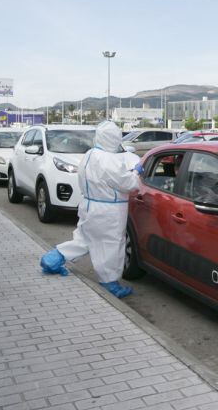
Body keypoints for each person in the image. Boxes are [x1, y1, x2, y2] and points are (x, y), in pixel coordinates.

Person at [38, 121, 143, 298]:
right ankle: (110, 283)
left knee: (85, 238)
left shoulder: (89, 154)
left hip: (89, 204)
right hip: (109, 209)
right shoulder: (109, 160)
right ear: (114, 138)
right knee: (110, 245)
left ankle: (53, 258)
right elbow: (129, 184)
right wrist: (136, 172)